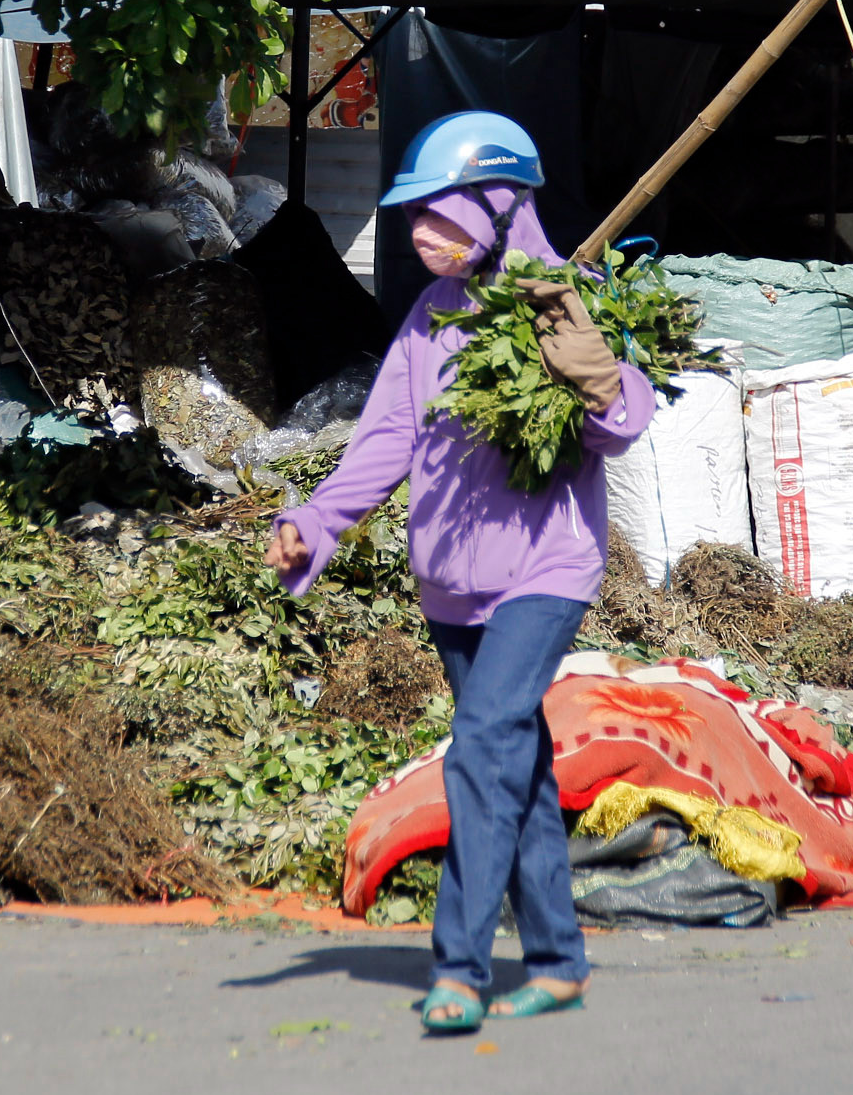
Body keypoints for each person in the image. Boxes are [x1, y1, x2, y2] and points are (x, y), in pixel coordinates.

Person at [263, 112, 655, 1035]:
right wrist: (313, 523)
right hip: (448, 582)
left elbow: (625, 423)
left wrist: (594, 374)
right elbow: (384, 441)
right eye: (413, 219)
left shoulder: (558, 303)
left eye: (437, 216)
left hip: (545, 567)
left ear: (496, 206)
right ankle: (557, 960)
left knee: (481, 746)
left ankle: (459, 966)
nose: (418, 234)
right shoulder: (428, 319)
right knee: (510, 765)